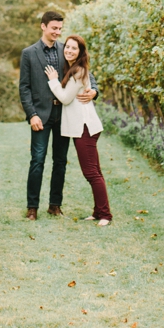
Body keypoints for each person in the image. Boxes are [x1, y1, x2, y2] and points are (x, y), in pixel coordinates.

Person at [19, 11, 97, 220]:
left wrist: (94, 90)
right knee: (37, 160)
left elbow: (87, 72)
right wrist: (32, 114)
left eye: (60, 29)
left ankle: (55, 205)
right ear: (43, 26)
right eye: (54, 28)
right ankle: (32, 207)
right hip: (41, 116)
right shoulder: (29, 53)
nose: (57, 32)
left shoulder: (67, 49)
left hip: (64, 114)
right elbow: (24, 88)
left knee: (60, 161)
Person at [45, 34, 112, 225]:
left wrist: (53, 80)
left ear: (81, 52)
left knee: (91, 172)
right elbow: (69, 98)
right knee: (94, 171)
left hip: (85, 127)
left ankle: (106, 214)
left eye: (74, 48)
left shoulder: (79, 71)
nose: (69, 51)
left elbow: (66, 98)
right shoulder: (74, 69)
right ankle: (99, 211)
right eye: (67, 47)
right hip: (82, 126)